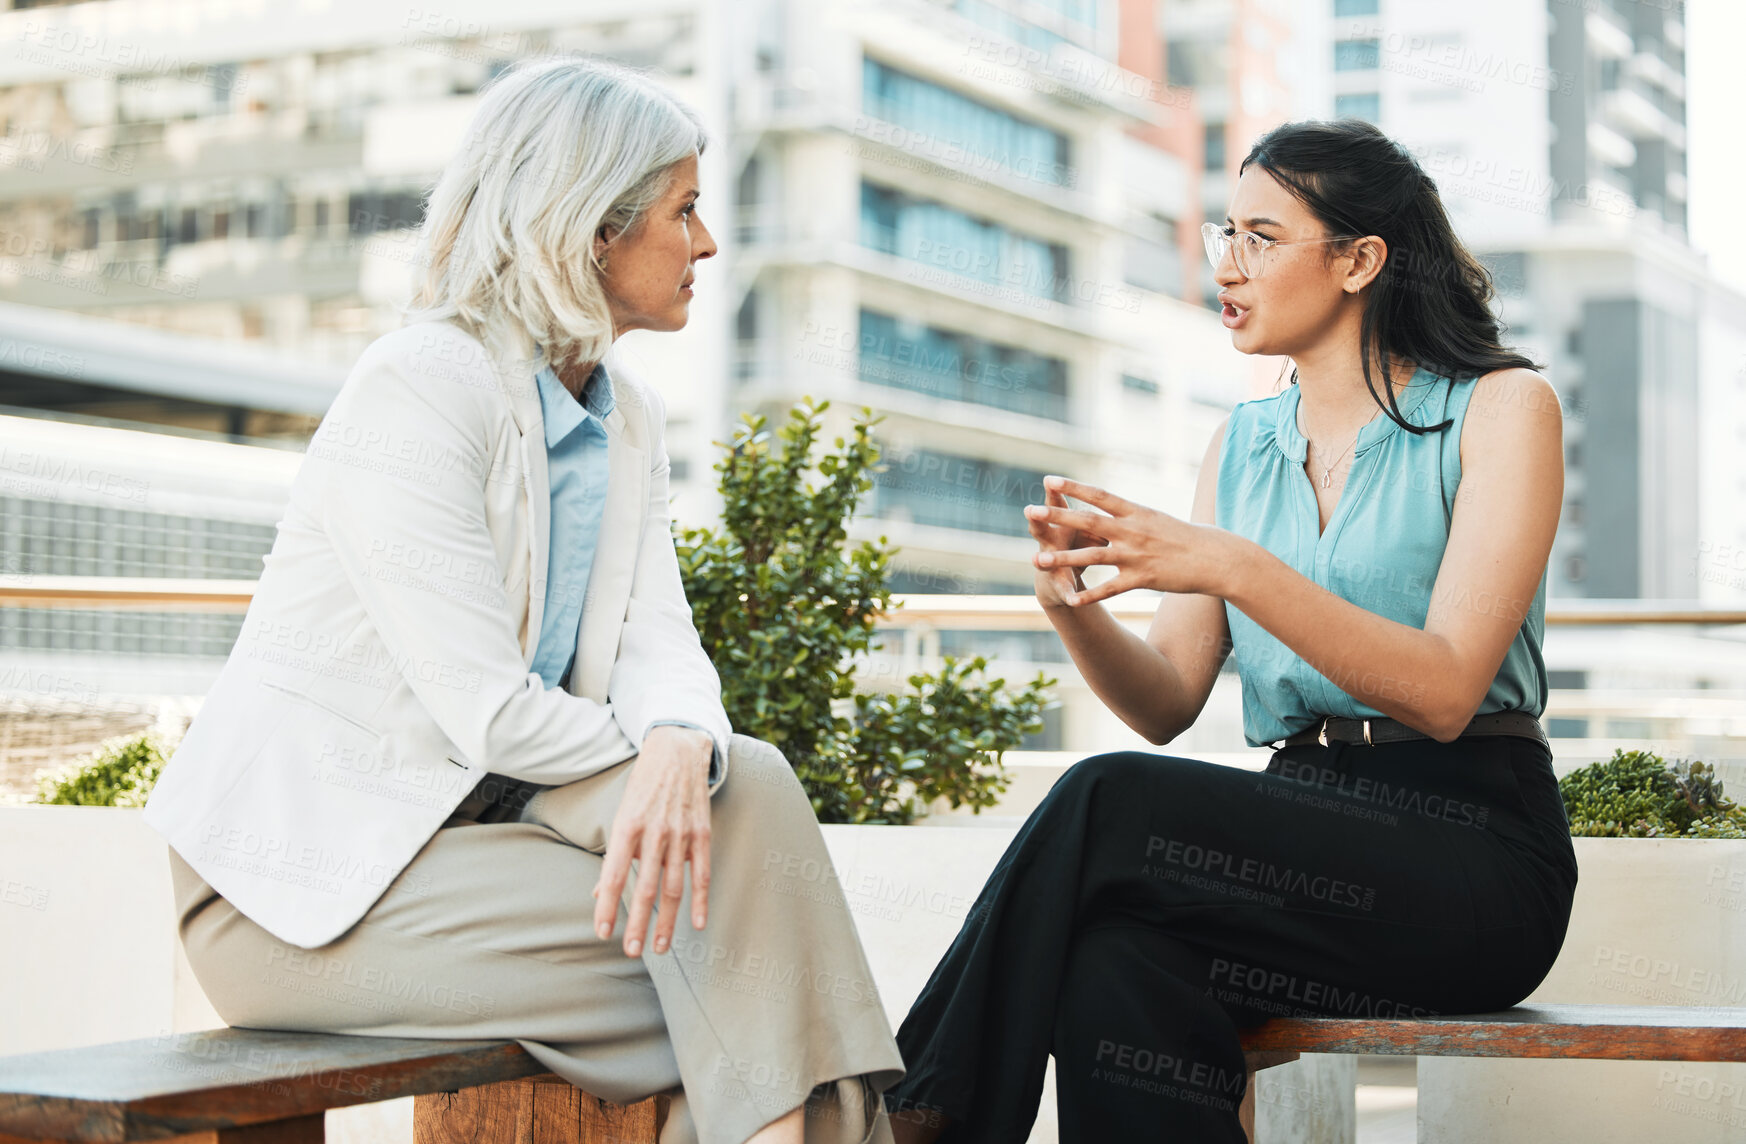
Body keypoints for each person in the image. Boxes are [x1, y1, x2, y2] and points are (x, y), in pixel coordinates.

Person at [142, 56, 903, 1144]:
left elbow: (660, 644)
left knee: (748, 830)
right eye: (685, 210)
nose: (708, 243)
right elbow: (488, 710)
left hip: (488, 833)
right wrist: (657, 757)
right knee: (750, 978)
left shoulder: (625, 415)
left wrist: (683, 741)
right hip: (305, 892)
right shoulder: (418, 386)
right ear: (595, 229)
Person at [880, 118, 1578, 1143]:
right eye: (1226, 233)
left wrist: (1236, 565)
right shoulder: (1241, 445)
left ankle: (919, 1110)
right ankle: (922, 1110)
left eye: (1261, 236)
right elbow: (1166, 699)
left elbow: (1443, 689)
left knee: (1102, 791)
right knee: (1113, 962)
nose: (1227, 264)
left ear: (1359, 261)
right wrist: (1072, 610)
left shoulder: (1502, 408)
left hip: (1469, 856)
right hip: (1297, 836)